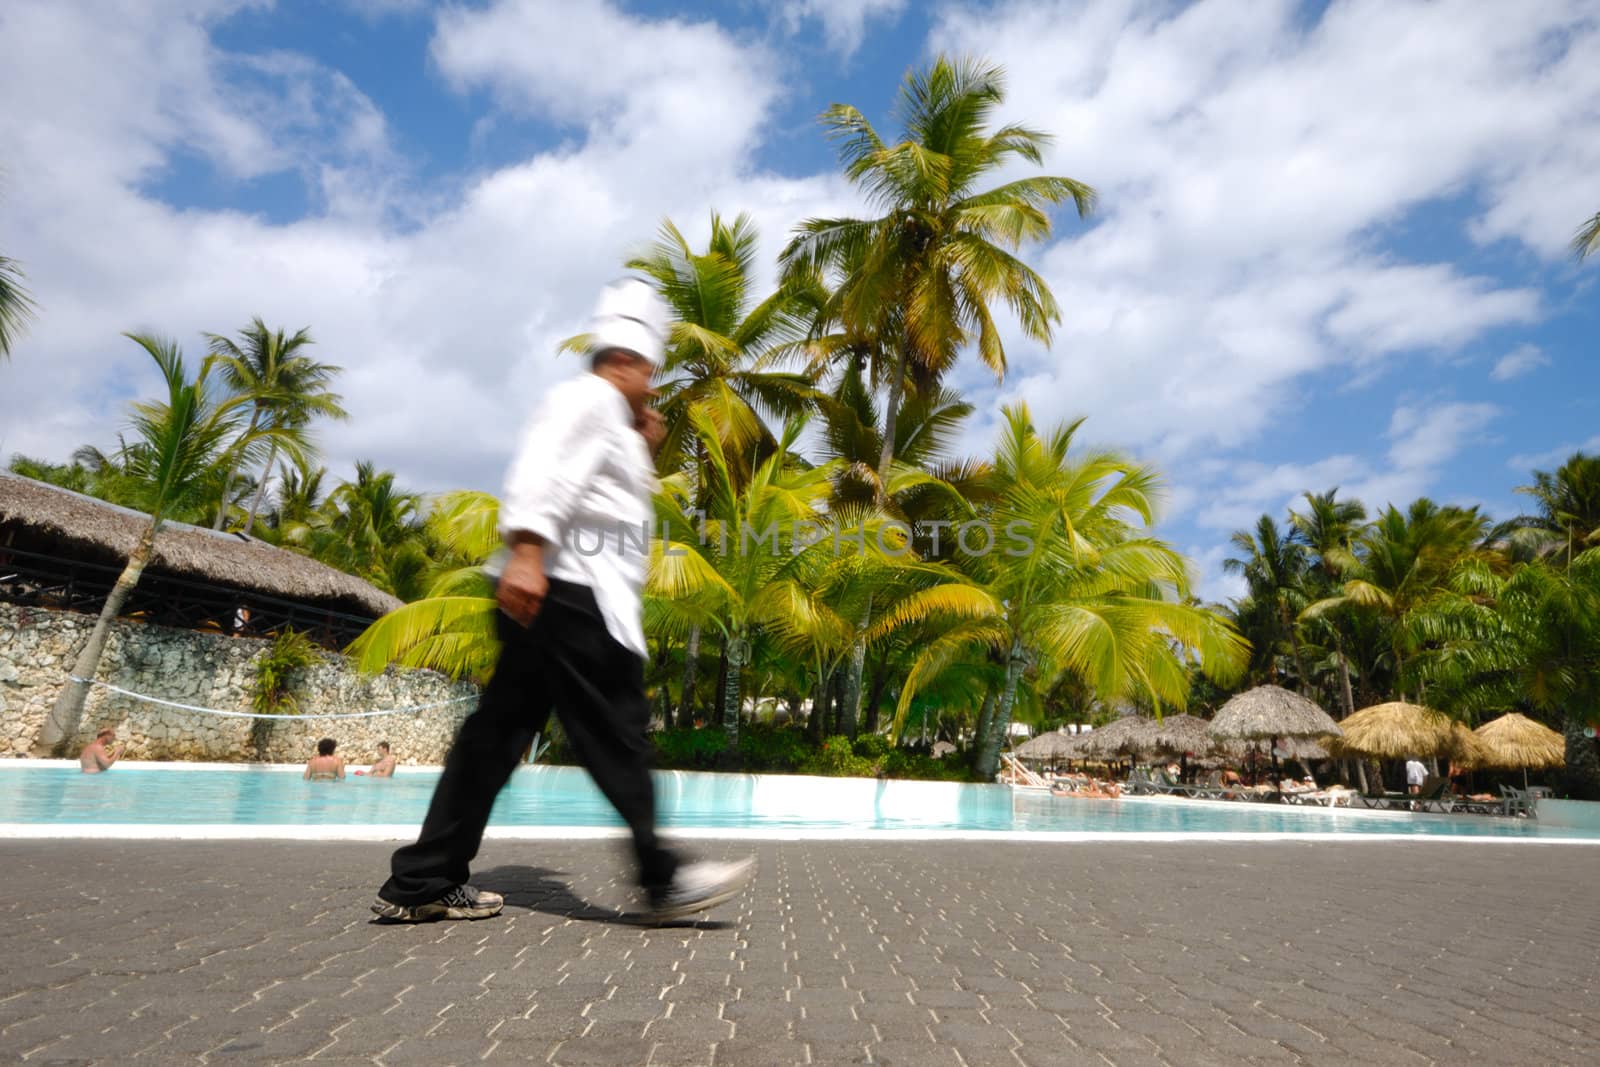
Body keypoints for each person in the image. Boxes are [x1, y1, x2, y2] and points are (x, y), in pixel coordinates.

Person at [371, 279, 755, 924]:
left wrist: (644, 447)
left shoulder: (612, 417)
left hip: (555, 595)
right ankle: (663, 880)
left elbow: (598, 497)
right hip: (568, 593)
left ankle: (424, 880)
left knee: (491, 742)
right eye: (650, 373)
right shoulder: (588, 400)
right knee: (618, 735)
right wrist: (526, 551)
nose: (654, 387)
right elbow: (543, 468)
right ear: (627, 362)